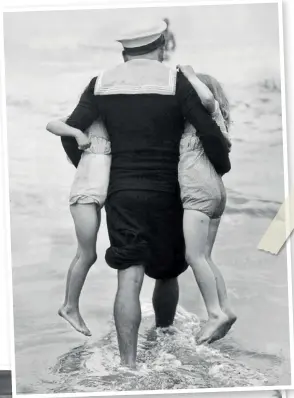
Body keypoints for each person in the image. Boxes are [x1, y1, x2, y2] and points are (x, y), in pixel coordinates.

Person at [59, 19, 230, 369]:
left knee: (130, 274)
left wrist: (91, 168)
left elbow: (72, 130)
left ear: (124, 52)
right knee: (167, 272)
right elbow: (208, 131)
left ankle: (128, 365)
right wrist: (221, 167)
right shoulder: (175, 82)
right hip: (170, 190)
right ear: (161, 46)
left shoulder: (101, 83)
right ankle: (164, 337)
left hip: (123, 191)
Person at [177, 65, 236, 344]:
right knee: (207, 256)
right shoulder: (215, 123)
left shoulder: (204, 115)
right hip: (216, 192)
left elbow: (208, 100)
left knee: (194, 257)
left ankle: (214, 314)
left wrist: (188, 76)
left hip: (197, 191)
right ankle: (224, 308)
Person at [46, 117, 111, 336]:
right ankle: (69, 306)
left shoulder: (118, 121)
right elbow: (52, 124)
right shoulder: (89, 121)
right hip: (84, 194)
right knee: (87, 254)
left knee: (86, 254)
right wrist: (77, 133)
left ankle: (69, 305)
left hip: (101, 195)